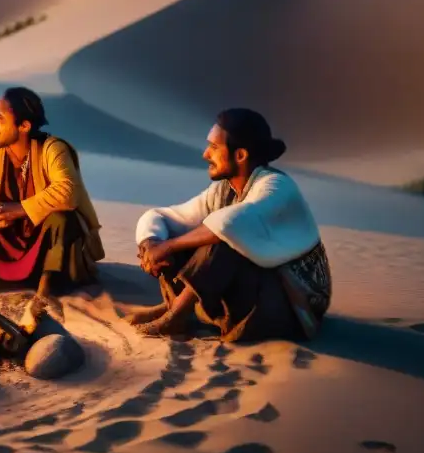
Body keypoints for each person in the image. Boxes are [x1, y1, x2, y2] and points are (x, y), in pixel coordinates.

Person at [131, 108, 331, 342]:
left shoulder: (277, 186)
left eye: (214, 147)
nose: (206, 154)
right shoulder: (222, 191)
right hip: (252, 295)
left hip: (291, 310)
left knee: (224, 241)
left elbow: (230, 223)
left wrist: (169, 246)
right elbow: (162, 216)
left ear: (241, 155)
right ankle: (173, 307)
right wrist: (152, 243)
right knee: (175, 239)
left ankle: (176, 317)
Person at [0, 87, 104, 303]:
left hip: (45, 248)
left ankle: (46, 286)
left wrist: (18, 209)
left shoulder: (52, 149)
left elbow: (68, 192)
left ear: (24, 125)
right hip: (8, 239)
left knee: (62, 218)